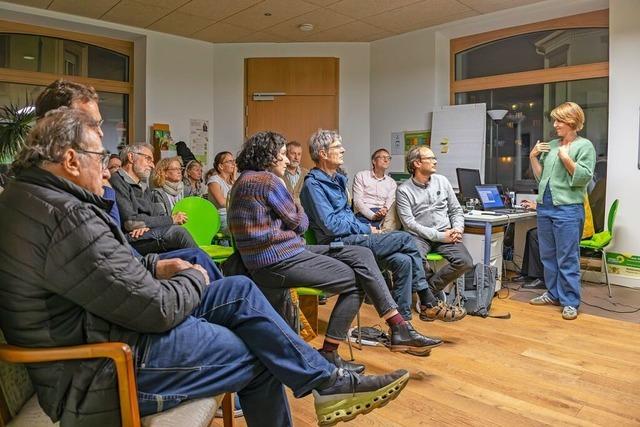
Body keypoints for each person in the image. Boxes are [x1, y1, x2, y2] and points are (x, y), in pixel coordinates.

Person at [0, 107, 409, 427]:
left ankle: (326, 382)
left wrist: (154, 264)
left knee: (242, 291)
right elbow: (155, 310)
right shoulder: (65, 215)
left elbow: (97, 271)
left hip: (110, 327)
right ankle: (326, 383)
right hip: (106, 364)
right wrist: (192, 277)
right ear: (71, 160)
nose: (106, 166)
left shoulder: (38, 199)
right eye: (99, 156)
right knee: (260, 351)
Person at [228, 131, 441, 366]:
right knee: (361, 276)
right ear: (268, 157)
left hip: (281, 254)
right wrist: (295, 211)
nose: (288, 160)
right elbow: (301, 222)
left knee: (362, 255)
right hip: (279, 259)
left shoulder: (243, 181)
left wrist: (293, 214)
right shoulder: (267, 181)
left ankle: (398, 326)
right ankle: (336, 350)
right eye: (282, 155)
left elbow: (294, 222)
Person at [301, 129, 461, 322]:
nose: (343, 150)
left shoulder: (337, 180)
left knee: (403, 261)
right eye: (337, 147)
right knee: (406, 238)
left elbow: (347, 217)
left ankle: (403, 326)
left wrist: (363, 227)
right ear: (323, 154)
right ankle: (427, 300)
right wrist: (366, 228)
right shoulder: (313, 185)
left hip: (352, 237)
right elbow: (331, 226)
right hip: (337, 244)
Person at [528, 102, 596, 320]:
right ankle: (553, 293)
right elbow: (541, 179)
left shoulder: (584, 146)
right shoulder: (552, 145)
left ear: (572, 121)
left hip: (568, 209)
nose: (555, 124)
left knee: (567, 258)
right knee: (548, 255)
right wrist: (533, 157)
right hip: (545, 207)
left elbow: (583, 178)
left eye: (559, 120)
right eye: (554, 120)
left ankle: (570, 301)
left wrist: (566, 159)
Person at [396, 146, 471, 321]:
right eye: (430, 158)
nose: (435, 161)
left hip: (447, 233)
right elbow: (409, 224)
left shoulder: (442, 181)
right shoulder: (403, 190)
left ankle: (427, 294)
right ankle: (430, 304)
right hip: (419, 236)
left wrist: (457, 230)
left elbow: (456, 210)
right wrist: (439, 236)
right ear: (416, 163)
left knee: (465, 262)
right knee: (415, 257)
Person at [110, 143, 198, 255]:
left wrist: (146, 224)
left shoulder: (142, 184)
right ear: (131, 157)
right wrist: (171, 219)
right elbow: (131, 223)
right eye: (148, 159)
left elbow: (158, 213)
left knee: (180, 247)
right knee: (177, 233)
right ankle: (208, 269)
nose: (152, 165)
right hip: (129, 238)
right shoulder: (117, 180)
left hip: (144, 232)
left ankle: (200, 269)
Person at [353, 148, 396, 229]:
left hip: (384, 216)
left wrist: (385, 209)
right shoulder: (361, 176)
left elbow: (390, 201)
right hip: (364, 213)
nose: (386, 160)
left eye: (388, 158)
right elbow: (357, 201)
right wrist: (372, 216)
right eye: (383, 157)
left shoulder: (392, 182)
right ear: (374, 161)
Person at [207, 151, 236, 235]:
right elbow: (222, 202)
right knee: (241, 227)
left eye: (233, 161)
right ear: (221, 166)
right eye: (229, 161)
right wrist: (238, 202)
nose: (233, 164)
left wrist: (234, 179)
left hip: (232, 214)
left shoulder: (233, 181)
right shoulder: (214, 180)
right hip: (221, 216)